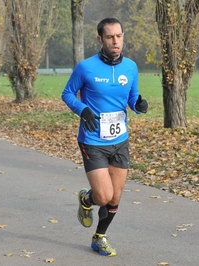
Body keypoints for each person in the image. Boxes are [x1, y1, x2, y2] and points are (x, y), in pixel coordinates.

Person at [61, 17, 148, 257]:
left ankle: (99, 237)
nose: (115, 41)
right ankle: (87, 199)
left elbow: (132, 98)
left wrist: (139, 104)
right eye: (110, 37)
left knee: (116, 196)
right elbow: (67, 93)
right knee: (103, 195)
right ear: (100, 39)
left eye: (119, 36)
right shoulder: (86, 67)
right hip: (93, 140)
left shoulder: (130, 66)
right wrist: (83, 109)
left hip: (120, 140)